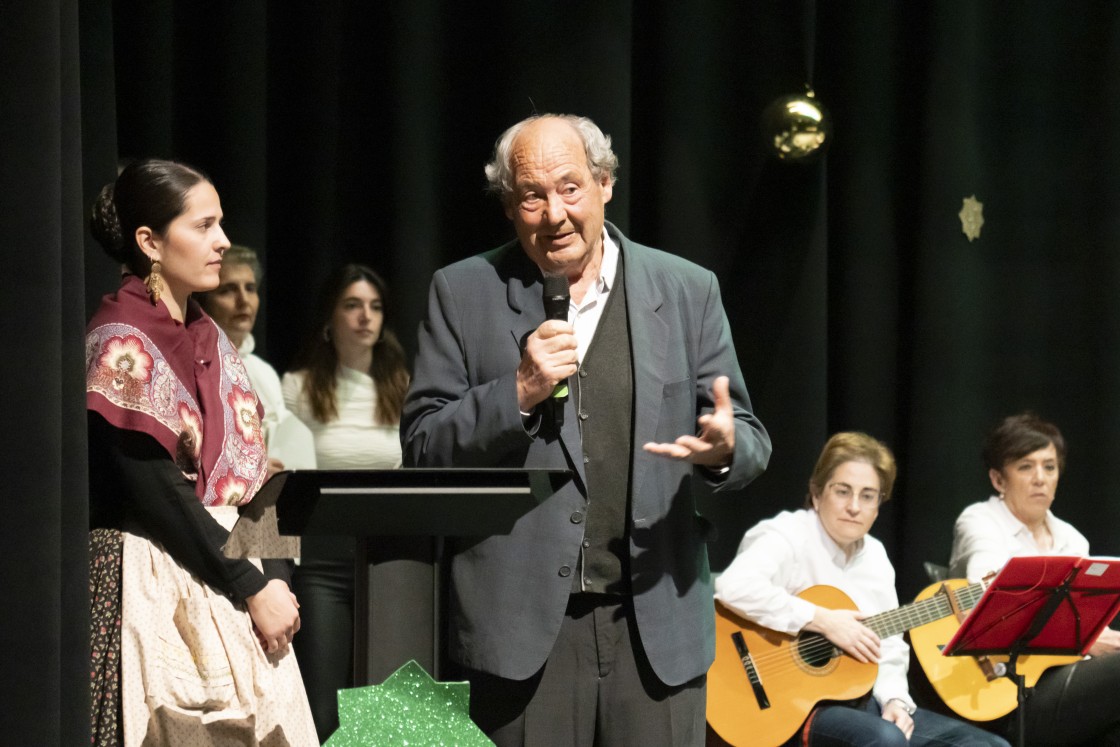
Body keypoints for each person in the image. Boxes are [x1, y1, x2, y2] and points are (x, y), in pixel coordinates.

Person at [400, 113, 772, 746]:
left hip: (656, 625)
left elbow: (749, 435)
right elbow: (423, 445)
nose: (554, 214)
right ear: (510, 208)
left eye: (569, 188)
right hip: (521, 633)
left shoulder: (687, 290)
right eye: (531, 196)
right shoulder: (463, 292)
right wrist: (515, 393)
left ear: (605, 184)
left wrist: (725, 448)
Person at [85, 158, 316, 745]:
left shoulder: (211, 339)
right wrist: (250, 583)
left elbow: (257, 476)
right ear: (150, 242)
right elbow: (155, 490)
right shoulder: (120, 341)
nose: (223, 242)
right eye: (204, 226)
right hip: (159, 572)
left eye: (221, 225)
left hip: (242, 585)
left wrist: (278, 582)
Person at [714, 432, 1008, 747]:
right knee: (885, 741)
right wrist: (821, 619)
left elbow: (890, 644)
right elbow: (734, 587)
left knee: (989, 746)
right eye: (842, 491)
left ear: (878, 506)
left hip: (860, 699)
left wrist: (895, 700)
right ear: (817, 494)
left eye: (868, 496)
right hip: (788, 703)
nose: (854, 506)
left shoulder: (876, 556)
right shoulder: (785, 534)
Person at [281, 263, 410, 741]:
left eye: (375, 307)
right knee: (324, 703)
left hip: (388, 558)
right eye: (352, 305)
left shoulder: (402, 388)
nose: (365, 317)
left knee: (385, 709)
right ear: (329, 318)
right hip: (323, 558)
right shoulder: (297, 388)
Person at [948, 412, 1120, 745]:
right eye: (1026, 467)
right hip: (1000, 690)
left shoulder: (1073, 540)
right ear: (999, 480)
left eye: (1049, 467)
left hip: (1062, 681)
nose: (1040, 478)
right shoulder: (979, 521)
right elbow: (994, 609)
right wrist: (1085, 641)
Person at [196, 244, 316, 472]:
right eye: (228, 290)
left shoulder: (264, 371)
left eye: (250, 288)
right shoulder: (199, 364)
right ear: (205, 300)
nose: (244, 300)